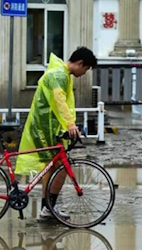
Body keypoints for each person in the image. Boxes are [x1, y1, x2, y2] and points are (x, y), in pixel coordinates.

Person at [14, 47, 97, 221]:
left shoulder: (61, 73)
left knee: (52, 167)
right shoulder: (59, 75)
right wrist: (70, 124)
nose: (84, 73)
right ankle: (48, 207)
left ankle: (47, 208)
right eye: (86, 69)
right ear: (80, 63)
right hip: (45, 126)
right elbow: (59, 101)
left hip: (48, 125)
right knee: (59, 167)